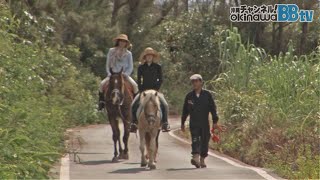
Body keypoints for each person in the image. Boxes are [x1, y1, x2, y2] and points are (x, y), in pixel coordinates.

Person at [181, 74, 219, 168]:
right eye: (193, 82)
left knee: (205, 141)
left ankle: (202, 160)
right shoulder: (189, 96)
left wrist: (215, 121)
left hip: (204, 123)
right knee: (195, 140)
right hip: (194, 123)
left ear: (201, 82)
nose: (195, 83)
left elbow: (213, 109)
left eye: (197, 81)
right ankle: (195, 158)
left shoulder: (207, 95)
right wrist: (182, 123)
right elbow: (185, 111)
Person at [130, 47, 171, 133]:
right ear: (145, 57)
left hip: (155, 91)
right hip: (143, 91)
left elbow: (160, 79)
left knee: (165, 105)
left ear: (153, 57)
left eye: (151, 56)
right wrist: (141, 90)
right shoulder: (141, 67)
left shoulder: (157, 67)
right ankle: (133, 123)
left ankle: (165, 123)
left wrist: (156, 89)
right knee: (133, 105)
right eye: (147, 56)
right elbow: (138, 80)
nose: (149, 57)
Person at [98, 34, 139, 110]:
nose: (122, 43)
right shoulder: (111, 51)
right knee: (101, 84)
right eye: (121, 41)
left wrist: (126, 74)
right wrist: (109, 73)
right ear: (118, 42)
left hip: (124, 75)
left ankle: (135, 106)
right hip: (113, 74)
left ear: (126, 43)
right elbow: (107, 64)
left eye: (124, 41)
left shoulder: (128, 54)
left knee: (135, 86)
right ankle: (102, 103)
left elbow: (130, 67)